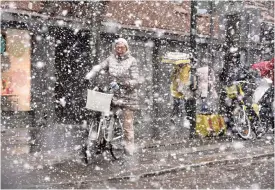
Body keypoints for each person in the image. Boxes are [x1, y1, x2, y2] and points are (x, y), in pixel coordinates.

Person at [85, 38, 140, 156]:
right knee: (105, 116)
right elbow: (100, 66)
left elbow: (136, 80)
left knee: (127, 125)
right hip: (113, 95)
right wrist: (91, 73)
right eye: (117, 47)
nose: (119, 50)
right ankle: (104, 140)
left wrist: (125, 84)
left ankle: (129, 148)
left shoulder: (132, 61)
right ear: (114, 48)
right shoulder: (111, 59)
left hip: (127, 97)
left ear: (126, 48)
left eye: (122, 48)